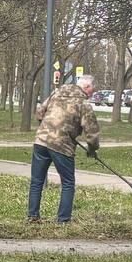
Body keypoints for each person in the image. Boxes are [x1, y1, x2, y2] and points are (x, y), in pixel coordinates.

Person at [28, 74, 101, 224]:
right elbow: (92, 130)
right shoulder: (83, 103)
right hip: (62, 145)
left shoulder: (57, 93)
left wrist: (47, 127)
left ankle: (32, 216)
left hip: (41, 141)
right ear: (87, 87)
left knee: (36, 181)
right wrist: (92, 148)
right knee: (68, 183)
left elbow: (40, 112)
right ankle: (63, 220)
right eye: (92, 90)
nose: (92, 94)